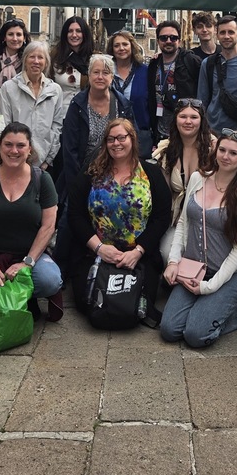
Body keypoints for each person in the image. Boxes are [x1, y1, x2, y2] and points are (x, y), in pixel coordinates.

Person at [161, 131, 237, 348]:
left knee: (195, 335)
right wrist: (173, 262)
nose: (226, 156)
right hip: (194, 268)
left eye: (233, 153)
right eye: (222, 150)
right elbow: (183, 223)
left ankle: (235, 311)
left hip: (229, 275)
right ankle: (211, 307)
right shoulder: (199, 178)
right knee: (169, 330)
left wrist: (207, 288)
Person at [67, 118, 171, 326]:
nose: (116, 143)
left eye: (121, 138)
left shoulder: (150, 173)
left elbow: (162, 216)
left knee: (135, 303)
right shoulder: (92, 172)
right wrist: (99, 248)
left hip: (138, 256)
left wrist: (138, 251)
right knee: (87, 303)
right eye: (111, 139)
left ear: (132, 139)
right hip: (95, 254)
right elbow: (75, 214)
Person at [0, 122, 63, 315]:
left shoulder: (42, 180)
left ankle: (21, 297)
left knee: (51, 281)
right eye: (8, 144)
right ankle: (11, 299)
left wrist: (27, 263)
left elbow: (48, 226)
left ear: (29, 149)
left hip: (29, 256)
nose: (14, 150)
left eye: (20, 145)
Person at [153, 98, 217, 265]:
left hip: (208, 219)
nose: (188, 121)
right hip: (177, 218)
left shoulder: (214, 149)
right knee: (167, 253)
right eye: (183, 116)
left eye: (194, 117)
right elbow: (163, 195)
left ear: (202, 120)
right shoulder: (166, 150)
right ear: (175, 119)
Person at [62, 54, 135, 185]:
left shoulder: (123, 105)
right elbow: (69, 148)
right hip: (84, 174)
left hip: (117, 174)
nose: (100, 77)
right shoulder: (78, 104)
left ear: (112, 77)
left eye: (105, 73)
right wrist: (76, 182)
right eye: (96, 72)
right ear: (89, 75)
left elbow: (132, 140)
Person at [0, 40, 63, 170]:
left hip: (44, 163)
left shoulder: (55, 90)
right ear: (25, 60)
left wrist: (48, 161)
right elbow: (3, 125)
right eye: (32, 56)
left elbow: (57, 127)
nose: (36, 61)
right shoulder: (9, 88)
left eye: (40, 57)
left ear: (46, 62)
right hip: (14, 159)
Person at [197, 15, 237, 134]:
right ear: (217, 35)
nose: (226, 36)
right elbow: (202, 100)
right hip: (213, 132)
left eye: (231, 32)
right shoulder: (208, 64)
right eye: (222, 32)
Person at [147, 20, 201, 144]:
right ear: (158, 40)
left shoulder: (191, 61)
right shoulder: (153, 64)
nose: (168, 41)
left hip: (186, 133)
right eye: (164, 38)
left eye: (173, 38)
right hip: (160, 132)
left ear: (179, 41)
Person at [106, 29, 152, 158]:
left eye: (125, 44)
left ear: (132, 46)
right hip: (112, 135)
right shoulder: (106, 72)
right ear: (112, 49)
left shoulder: (145, 72)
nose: (121, 48)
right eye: (117, 45)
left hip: (139, 133)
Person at [50, 15, 94, 118]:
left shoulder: (94, 59)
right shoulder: (54, 58)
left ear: (85, 34)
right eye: (70, 31)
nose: (74, 35)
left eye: (78, 31)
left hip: (86, 116)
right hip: (60, 116)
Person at [0, 18, 28, 109]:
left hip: (20, 115)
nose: (15, 38)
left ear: (24, 38)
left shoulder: (28, 63)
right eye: (10, 34)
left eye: (19, 34)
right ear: (4, 38)